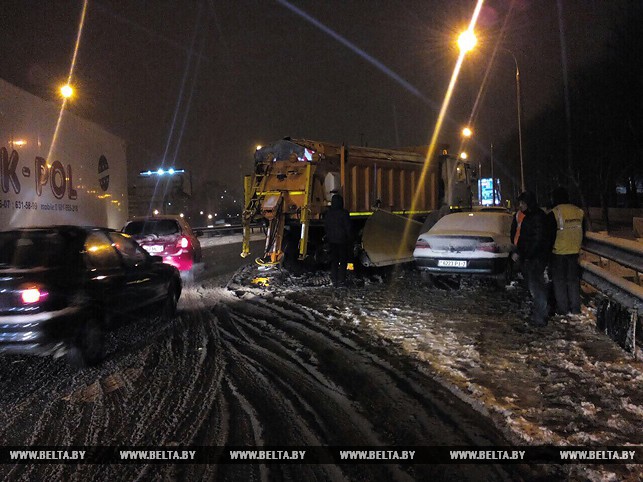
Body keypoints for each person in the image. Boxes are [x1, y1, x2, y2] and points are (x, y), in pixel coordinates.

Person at [512, 191, 551, 327]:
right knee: (534, 286)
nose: (520, 206)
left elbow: (537, 239)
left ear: (528, 203)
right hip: (531, 257)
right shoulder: (531, 216)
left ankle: (540, 318)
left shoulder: (536, 217)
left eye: (522, 203)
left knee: (537, 287)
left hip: (535, 258)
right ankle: (539, 314)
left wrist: (528, 254)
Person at [547, 186, 586, 316]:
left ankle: (563, 310)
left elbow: (550, 234)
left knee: (559, 282)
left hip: (559, 252)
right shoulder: (579, 211)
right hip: (574, 251)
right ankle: (575, 309)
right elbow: (583, 231)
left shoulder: (555, 212)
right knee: (573, 281)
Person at [324, 194, 353, 287]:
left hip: (332, 240)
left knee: (334, 261)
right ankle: (341, 280)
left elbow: (326, 227)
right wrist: (350, 238)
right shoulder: (344, 213)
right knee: (343, 261)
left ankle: (334, 279)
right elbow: (348, 227)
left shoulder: (328, 213)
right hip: (342, 240)